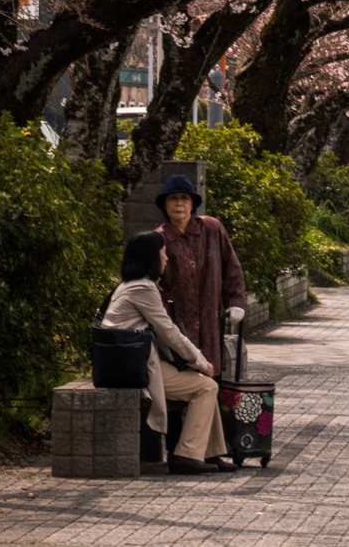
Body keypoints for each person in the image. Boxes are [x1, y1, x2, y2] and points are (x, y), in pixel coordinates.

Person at [102, 232, 233, 474]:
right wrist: (201, 361)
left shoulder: (127, 286)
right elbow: (169, 333)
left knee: (204, 384)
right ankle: (186, 455)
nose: (166, 258)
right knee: (207, 386)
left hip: (129, 361)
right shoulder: (143, 288)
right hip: (137, 367)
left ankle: (210, 452)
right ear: (151, 257)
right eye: (163, 253)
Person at [154, 174, 247, 381]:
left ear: (192, 203)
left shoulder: (212, 229)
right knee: (181, 387)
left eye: (184, 198)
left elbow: (232, 267)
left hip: (210, 326)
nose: (179, 203)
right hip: (177, 328)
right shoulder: (158, 238)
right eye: (173, 198)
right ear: (165, 204)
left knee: (212, 382)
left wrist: (235, 302)